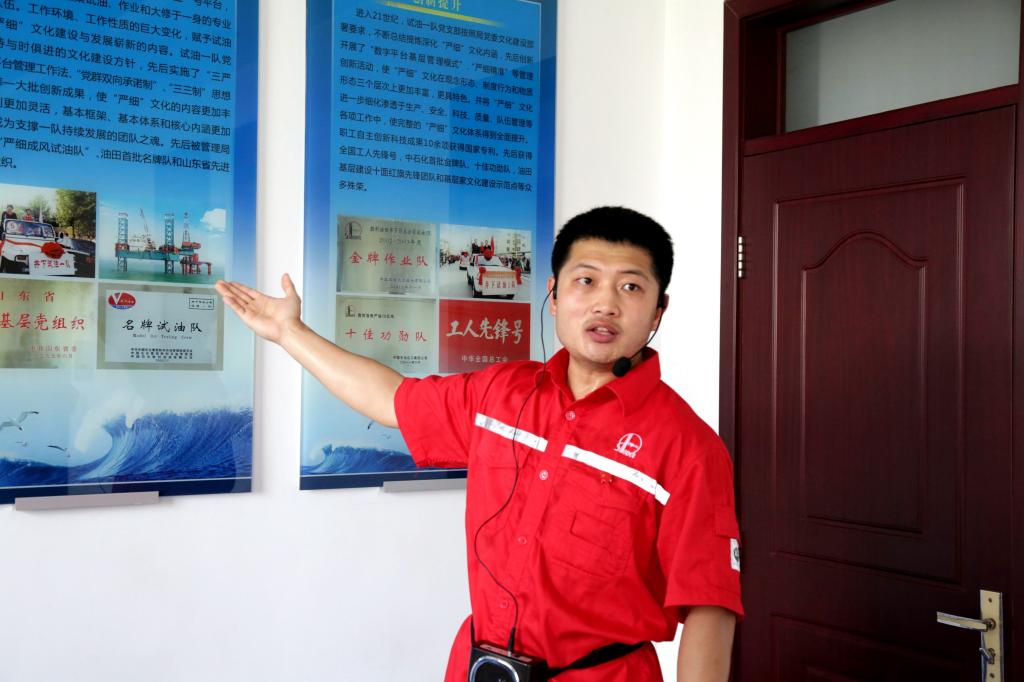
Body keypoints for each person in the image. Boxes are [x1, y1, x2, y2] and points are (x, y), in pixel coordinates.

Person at [216, 206, 742, 681]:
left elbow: (709, 606)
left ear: (658, 311)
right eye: (586, 281)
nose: (606, 304)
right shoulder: (502, 394)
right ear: (555, 295)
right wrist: (289, 333)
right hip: (480, 668)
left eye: (630, 287)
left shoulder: (689, 448)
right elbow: (392, 398)